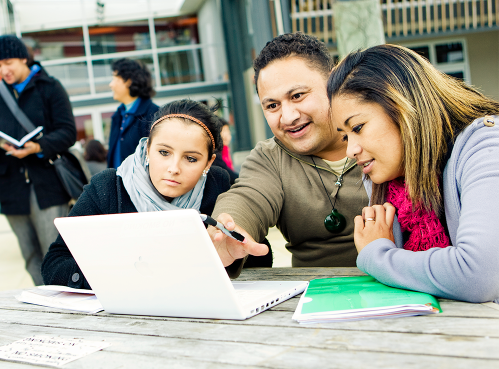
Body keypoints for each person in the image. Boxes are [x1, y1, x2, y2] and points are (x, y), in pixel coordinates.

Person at [328, 44, 499, 303]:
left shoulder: (485, 147)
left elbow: (480, 275)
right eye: (344, 136)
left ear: (400, 106)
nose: (351, 150)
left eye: (358, 127)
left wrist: (378, 254)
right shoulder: (391, 185)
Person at [210, 32, 369, 277]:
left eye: (297, 96)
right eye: (272, 106)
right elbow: (248, 196)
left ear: (333, 82)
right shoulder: (269, 158)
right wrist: (228, 231)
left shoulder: (377, 133)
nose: (288, 117)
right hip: (313, 296)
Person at [42, 99, 231, 288]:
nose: (174, 168)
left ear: (208, 162)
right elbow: (54, 264)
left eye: (190, 158)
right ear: (148, 149)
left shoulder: (218, 186)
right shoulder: (107, 187)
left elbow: (241, 254)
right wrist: (116, 272)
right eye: (164, 152)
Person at [0, 35, 77, 286]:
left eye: (8, 62)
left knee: (54, 251)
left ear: (23, 58)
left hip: (47, 185)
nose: (3, 70)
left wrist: (38, 146)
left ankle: (64, 295)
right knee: (29, 254)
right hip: (12, 188)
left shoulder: (50, 87)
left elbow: (68, 132)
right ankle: (44, 297)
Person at [107, 58, 159, 168]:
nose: (111, 85)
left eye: (115, 78)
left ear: (129, 81)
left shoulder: (154, 115)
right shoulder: (117, 116)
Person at [211, 117, 238, 185]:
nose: (227, 134)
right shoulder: (215, 155)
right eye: (224, 130)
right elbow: (229, 175)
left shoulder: (224, 150)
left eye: (227, 130)